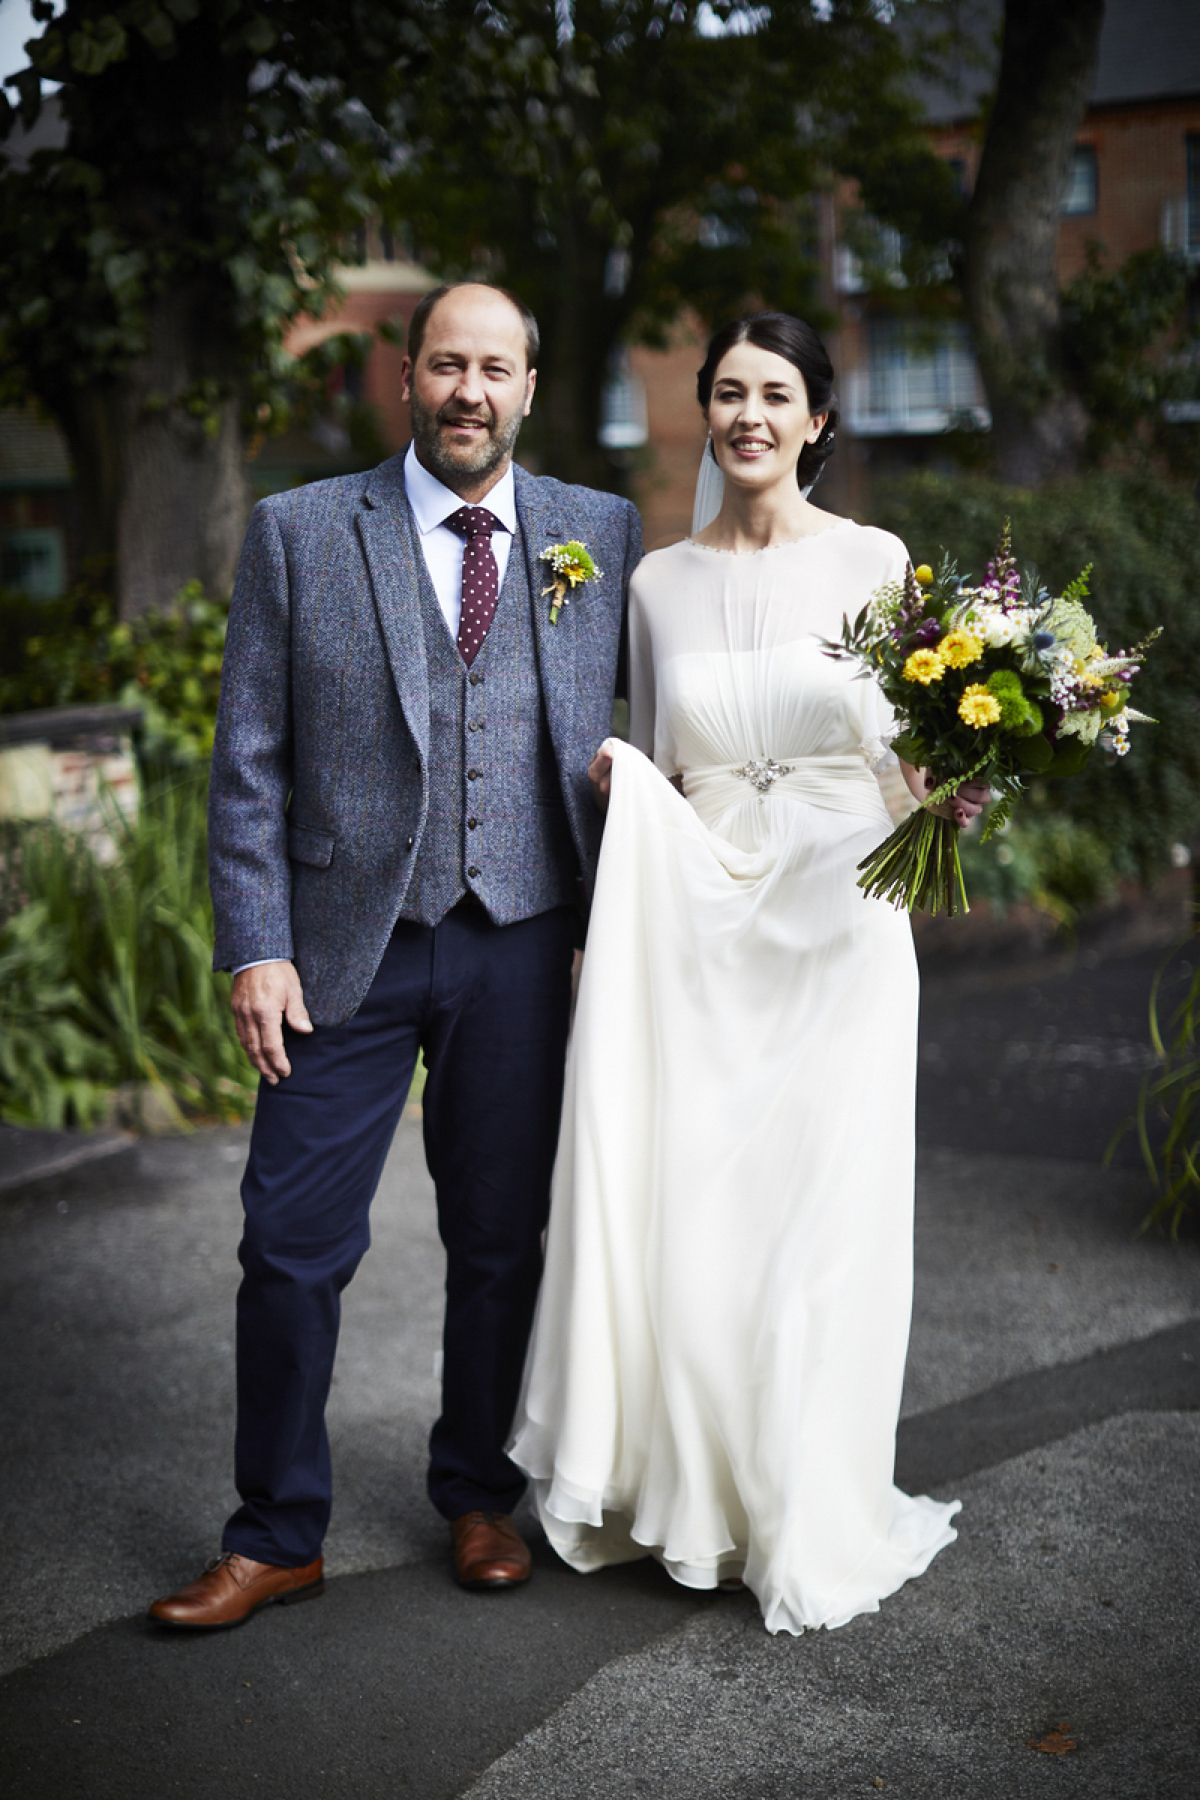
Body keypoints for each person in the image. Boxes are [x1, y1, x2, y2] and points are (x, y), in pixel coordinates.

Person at [148, 282, 642, 1630]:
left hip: (530, 943)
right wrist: (255, 946)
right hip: (338, 952)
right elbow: (246, 759)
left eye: (495, 367)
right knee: (290, 1246)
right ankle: (275, 1531)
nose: (467, 390)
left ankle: (480, 1493)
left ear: (532, 386)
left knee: (500, 1240)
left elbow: (655, 744)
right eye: (443, 365)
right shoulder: (301, 531)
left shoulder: (601, 533)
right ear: (407, 379)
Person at [508, 312, 989, 1636]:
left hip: (839, 921)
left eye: (776, 392)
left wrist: (949, 800)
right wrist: (618, 818)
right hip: (704, 927)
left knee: (823, 1225)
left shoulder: (879, 560)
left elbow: (911, 752)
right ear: (706, 413)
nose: (749, 415)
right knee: (706, 1216)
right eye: (728, 392)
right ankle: (698, 1498)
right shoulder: (654, 584)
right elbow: (656, 753)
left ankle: (805, 1496)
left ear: (819, 419)